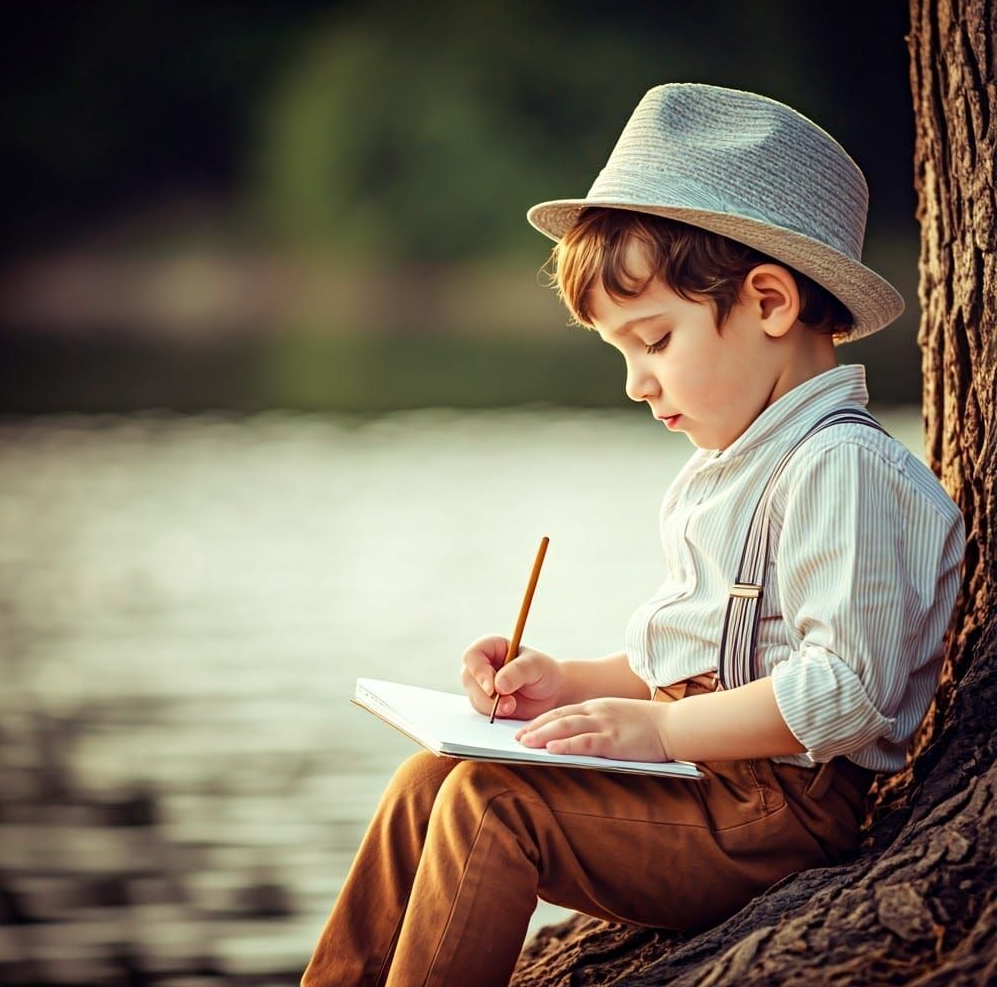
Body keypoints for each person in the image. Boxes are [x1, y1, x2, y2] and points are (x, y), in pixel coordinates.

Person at [301, 83, 965, 987]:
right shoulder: (730, 471)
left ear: (769, 302)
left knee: (495, 809)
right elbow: (697, 658)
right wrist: (564, 686)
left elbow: (843, 692)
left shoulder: (840, 469)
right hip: (709, 785)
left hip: (781, 816)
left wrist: (659, 729)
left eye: (652, 340)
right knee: (431, 782)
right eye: (621, 352)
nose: (635, 383)